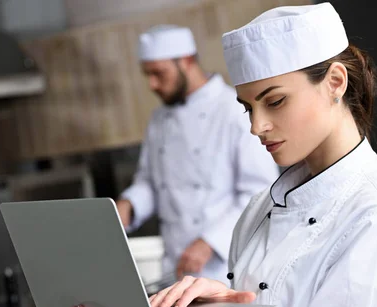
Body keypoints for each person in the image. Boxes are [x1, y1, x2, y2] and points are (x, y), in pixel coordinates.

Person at [59, 3, 377, 307]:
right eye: (249, 107)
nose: (256, 126)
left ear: (335, 82)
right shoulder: (258, 211)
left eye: (275, 101)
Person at [117, 25, 278, 283]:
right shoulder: (159, 119)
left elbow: (260, 192)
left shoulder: (232, 110)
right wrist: (129, 206)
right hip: (174, 267)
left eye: (159, 73)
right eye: (147, 75)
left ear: (187, 61)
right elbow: (151, 181)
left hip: (224, 267)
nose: (152, 84)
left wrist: (209, 243)